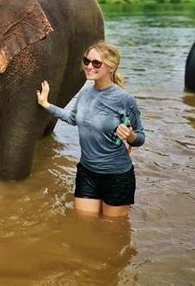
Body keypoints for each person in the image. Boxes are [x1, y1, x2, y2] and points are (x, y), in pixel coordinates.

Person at [36, 41, 145, 217]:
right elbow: (72, 119)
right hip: (87, 173)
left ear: (111, 67)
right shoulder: (85, 93)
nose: (89, 66)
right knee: (85, 226)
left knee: (113, 231)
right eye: (86, 61)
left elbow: (140, 137)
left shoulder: (124, 100)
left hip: (117, 177)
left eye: (96, 63)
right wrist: (46, 104)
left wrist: (131, 136)